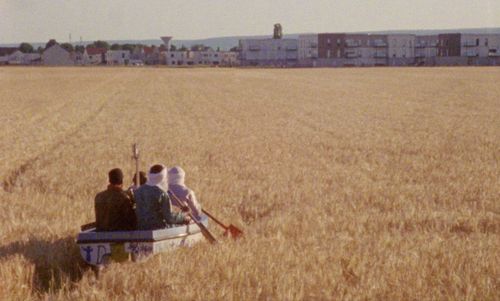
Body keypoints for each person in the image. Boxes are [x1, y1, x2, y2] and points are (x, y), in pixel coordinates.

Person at [134, 164, 190, 230]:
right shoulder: (162, 194)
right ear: (163, 177)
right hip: (159, 229)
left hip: (141, 228)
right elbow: (169, 218)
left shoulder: (138, 191)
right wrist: (183, 215)